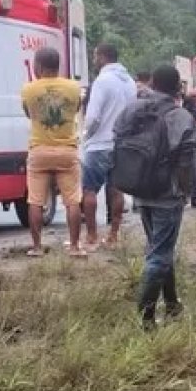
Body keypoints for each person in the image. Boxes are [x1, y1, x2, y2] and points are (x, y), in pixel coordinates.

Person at [114, 64, 196, 330]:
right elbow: (185, 161)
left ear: (152, 83)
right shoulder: (179, 116)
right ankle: (145, 318)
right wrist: (185, 191)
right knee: (159, 255)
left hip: (139, 188)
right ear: (176, 88)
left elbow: (117, 138)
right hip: (167, 192)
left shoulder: (132, 109)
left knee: (160, 247)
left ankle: (172, 304)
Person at [20, 47, 85, 257]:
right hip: (67, 150)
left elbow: (29, 114)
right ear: (58, 65)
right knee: (72, 200)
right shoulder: (74, 88)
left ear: (38, 65)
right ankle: (75, 246)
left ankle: (37, 247)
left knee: (36, 201)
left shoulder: (29, 89)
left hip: (39, 150)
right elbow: (75, 110)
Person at [80, 43, 137, 247]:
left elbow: (93, 116)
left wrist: (87, 135)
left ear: (103, 57)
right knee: (116, 190)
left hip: (99, 145)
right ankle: (113, 234)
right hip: (121, 143)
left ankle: (92, 235)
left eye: (95, 56)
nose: (94, 60)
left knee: (89, 190)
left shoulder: (102, 81)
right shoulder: (130, 82)